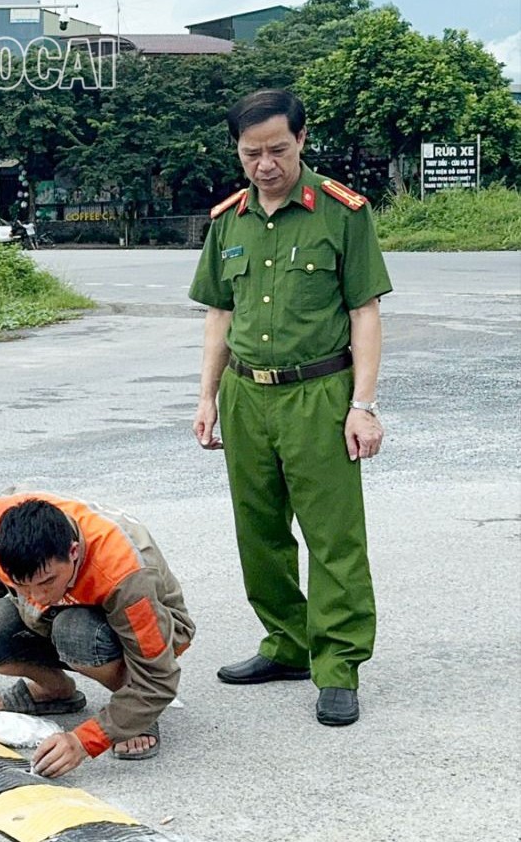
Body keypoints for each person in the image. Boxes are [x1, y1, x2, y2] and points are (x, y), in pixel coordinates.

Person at [189, 89, 389, 727]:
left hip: (318, 394)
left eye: (278, 148)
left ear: (301, 140)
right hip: (246, 394)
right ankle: (286, 643)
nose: (266, 163)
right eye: (253, 152)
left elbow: (365, 312)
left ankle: (338, 665)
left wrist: (363, 405)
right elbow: (221, 313)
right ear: (238, 152)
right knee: (260, 534)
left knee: (333, 538)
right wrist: (206, 398)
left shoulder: (341, 213)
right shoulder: (228, 220)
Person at [0, 492, 194, 778]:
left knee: (75, 632)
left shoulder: (124, 575)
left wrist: (83, 741)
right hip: (65, 613)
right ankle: (55, 690)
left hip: (144, 629)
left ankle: (132, 706)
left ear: (74, 551)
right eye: (23, 585)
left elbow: (159, 678)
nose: (38, 596)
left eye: (47, 581)